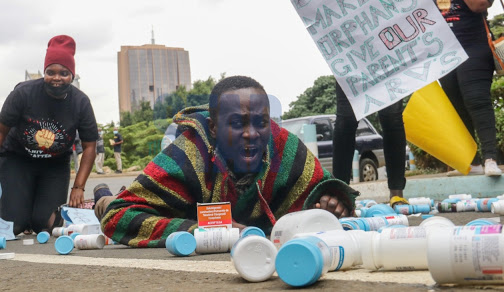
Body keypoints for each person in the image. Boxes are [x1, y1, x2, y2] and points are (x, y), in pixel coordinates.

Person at [95, 76, 358, 247]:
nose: (252, 134)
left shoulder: (282, 145)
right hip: (180, 211)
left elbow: (321, 188)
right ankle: (102, 195)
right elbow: (117, 215)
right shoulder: (187, 153)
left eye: (261, 123)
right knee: (108, 203)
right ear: (213, 128)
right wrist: (207, 229)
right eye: (236, 123)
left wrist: (332, 202)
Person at [305, 0, 434, 206]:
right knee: (345, 121)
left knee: (391, 118)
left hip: (390, 42)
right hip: (353, 48)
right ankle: (340, 193)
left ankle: (397, 191)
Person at [0, 35, 98, 236]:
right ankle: (19, 212)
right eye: (50, 72)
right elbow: (1, 131)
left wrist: (78, 187)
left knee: (47, 225)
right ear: (44, 72)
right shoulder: (23, 94)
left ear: (72, 75)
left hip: (54, 165)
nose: (56, 78)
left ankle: (32, 213)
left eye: (64, 73)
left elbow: (90, 146)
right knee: (13, 226)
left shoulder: (81, 102)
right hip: (18, 159)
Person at [432, 0, 501, 176]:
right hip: (447, 53)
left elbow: (478, 4)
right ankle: (472, 162)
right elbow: (438, 11)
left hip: (474, 49)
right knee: (457, 105)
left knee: (477, 101)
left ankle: (490, 157)